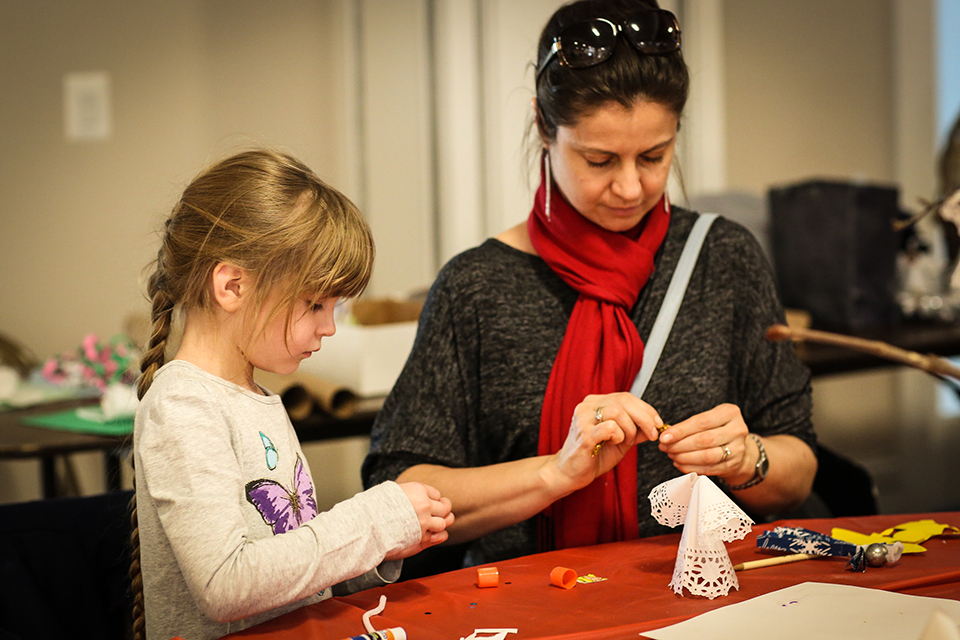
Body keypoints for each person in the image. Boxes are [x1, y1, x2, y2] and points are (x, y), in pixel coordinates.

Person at [362, 0, 817, 568]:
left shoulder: (723, 258)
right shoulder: (476, 287)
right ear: (543, 127)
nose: (630, 187)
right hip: (525, 606)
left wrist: (748, 458)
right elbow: (397, 492)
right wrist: (555, 472)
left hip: (704, 595)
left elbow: (800, 467)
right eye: (599, 160)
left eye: (654, 155)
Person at [130, 149, 454, 640]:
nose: (328, 327)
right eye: (315, 303)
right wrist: (372, 521)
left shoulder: (253, 397)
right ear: (233, 285)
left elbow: (289, 569)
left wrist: (382, 550)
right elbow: (227, 585)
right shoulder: (183, 407)